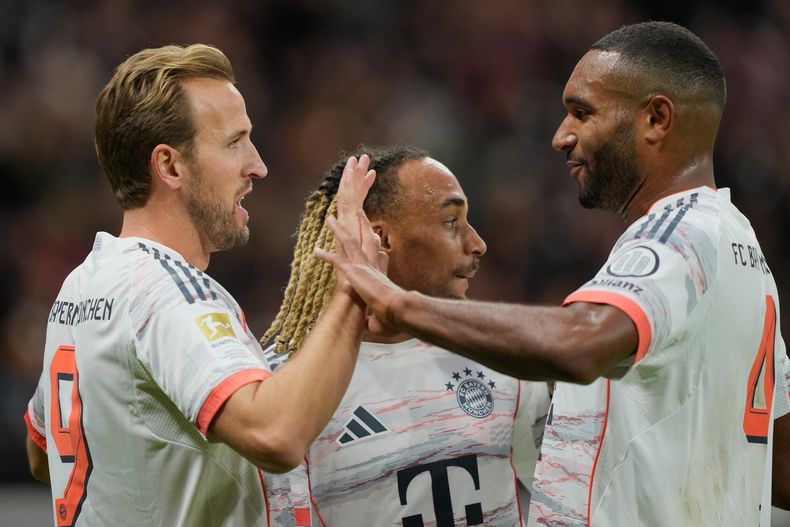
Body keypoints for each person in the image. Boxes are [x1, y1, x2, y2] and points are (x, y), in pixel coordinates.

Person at [317, 22, 790, 526]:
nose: (561, 136)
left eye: (582, 113)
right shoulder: (741, 249)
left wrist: (398, 304)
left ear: (656, 118)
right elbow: (781, 468)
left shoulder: (677, 233)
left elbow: (581, 344)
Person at [22, 44, 379, 525]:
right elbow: (276, 435)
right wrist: (353, 290)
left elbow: (42, 452)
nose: (258, 165)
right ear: (169, 166)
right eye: (234, 142)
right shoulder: (167, 293)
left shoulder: (80, 287)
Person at [261, 145, 551, 526]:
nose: (477, 243)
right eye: (451, 222)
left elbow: (566, 498)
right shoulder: (283, 389)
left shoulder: (501, 356)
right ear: (380, 240)